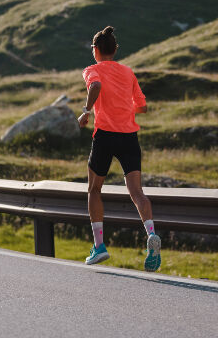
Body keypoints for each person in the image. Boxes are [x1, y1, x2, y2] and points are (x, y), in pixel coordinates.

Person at [78, 26, 161, 272]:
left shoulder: (92, 70)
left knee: (94, 189)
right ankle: (151, 233)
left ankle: (99, 246)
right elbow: (142, 107)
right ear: (114, 50)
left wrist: (86, 112)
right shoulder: (128, 72)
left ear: (96, 50)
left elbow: (95, 87)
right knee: (136, 192)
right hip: (129, 137)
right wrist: (123, 107)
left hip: (105, 136)